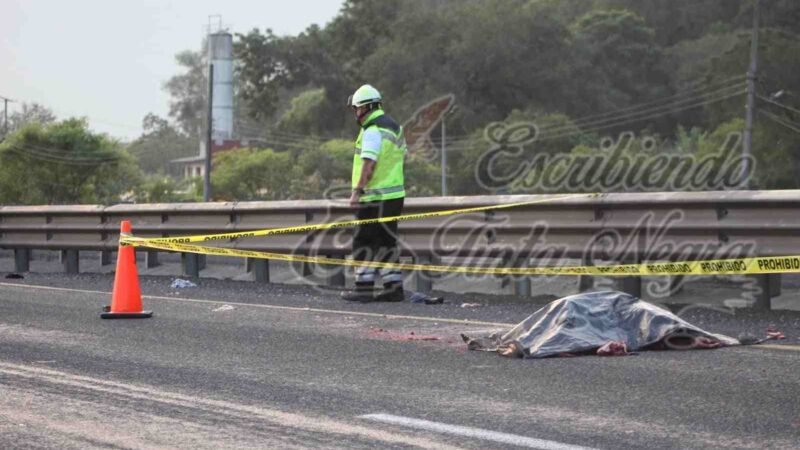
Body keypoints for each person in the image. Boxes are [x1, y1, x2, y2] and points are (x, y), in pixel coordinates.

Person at [341, 84, 407, 303]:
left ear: (366, 107)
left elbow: (368, 164)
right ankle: (393, 288)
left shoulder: (371, 131)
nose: (355, 113)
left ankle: (363, 289)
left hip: (373, 196)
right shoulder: (395, 127)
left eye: (356, 108)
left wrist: (356, 192)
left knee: (363, 242)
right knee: (387, 242)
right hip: (394, 196)